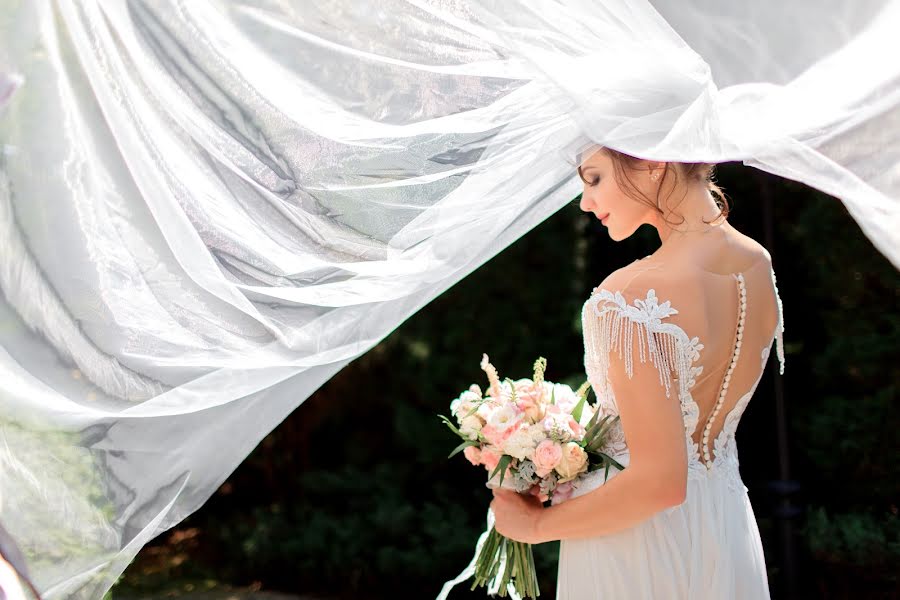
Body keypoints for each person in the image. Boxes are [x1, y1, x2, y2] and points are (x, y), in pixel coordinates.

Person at [489, 145, 785, 599]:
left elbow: (660, 482)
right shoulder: (757, 265)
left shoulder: (630, 295)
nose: (586, 202)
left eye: (594, 179)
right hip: (723, 528)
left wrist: (535, 524)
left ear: (652, 162)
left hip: (635, 548)